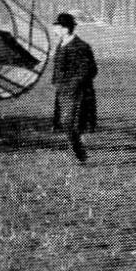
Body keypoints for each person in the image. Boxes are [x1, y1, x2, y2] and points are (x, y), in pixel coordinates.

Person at [49, 12, 97, 163]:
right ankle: (77, 151)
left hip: (76, 92)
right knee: (65, 123)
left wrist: (73, 84)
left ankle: (78, 151)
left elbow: (90, 69)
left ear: (64, 28)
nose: (54, 30)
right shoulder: (61, 44)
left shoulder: (80, 46)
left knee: (69, 122)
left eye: (56, 27)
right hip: (62, 90)